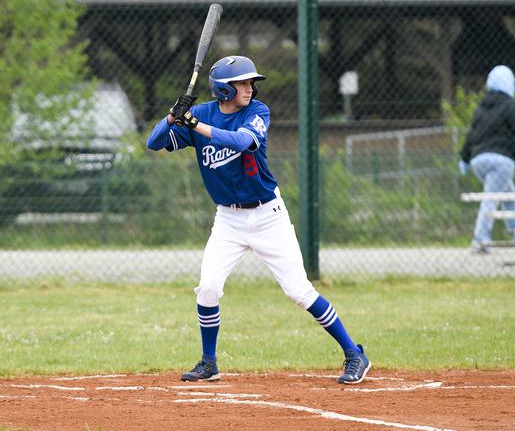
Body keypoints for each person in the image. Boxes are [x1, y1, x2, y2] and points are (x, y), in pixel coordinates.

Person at [146, 55, 371, 385]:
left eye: (251, 82)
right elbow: (154, 142)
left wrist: (193, 124)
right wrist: (171, 117)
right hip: (228, 219)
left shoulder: (256, 112)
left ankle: (355, 354)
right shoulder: (203, 113)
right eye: (242, 84)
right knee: (207, 288)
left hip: (268, 216)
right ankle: (209, 363)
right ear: (223, 90)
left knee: (298, 290)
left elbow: (241, 141)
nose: (250, 88)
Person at [459, 65, 515, 254]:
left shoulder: (481, 108)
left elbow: (471, 135)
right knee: (491, 198)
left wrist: (464, 159)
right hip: (501, 162)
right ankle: (480, 239)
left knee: (508, 196)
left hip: (478, 161)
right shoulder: (510, 105)